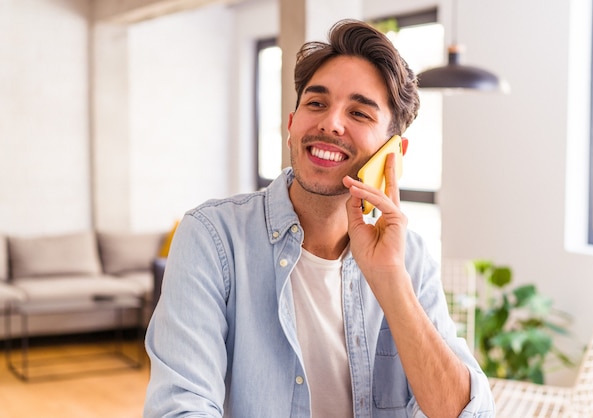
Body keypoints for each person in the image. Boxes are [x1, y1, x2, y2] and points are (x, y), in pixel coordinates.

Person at [144, 19, 495, 418]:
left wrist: (390, 282)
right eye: (316, 103)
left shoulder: (409, 259)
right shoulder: (212, 239)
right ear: (292, 124)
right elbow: (181, 406)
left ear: (394, 151)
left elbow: (466, 413)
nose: (330, 122)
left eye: (359, 113)